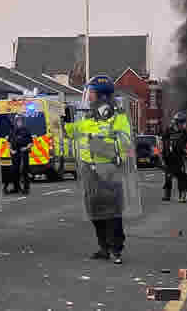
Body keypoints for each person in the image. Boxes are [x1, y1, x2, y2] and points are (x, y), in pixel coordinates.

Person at [66, 76, 132, 264]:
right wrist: (68, 120)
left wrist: (102, 145)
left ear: (102, 95)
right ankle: (103, 246)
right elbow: (76, 133)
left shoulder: (117, 116)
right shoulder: (89, 115)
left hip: (108, 168)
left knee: (112, 210)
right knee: (94, 209)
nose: (89, 97)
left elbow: (125, 141)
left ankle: (115, 248)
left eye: (92, 93)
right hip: (89, 168)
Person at [161, 112, 187, 202]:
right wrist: (163, 154)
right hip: (169, 157)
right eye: (182, 123)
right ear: (177, 122)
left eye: (184, 123)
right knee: (168, 176)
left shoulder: (184, 132)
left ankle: (182, 196)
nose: (184, 125)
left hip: (179, 157)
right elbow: (163, 142)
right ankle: (167, 195)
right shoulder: (168, 130)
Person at [9, 115, 33, 195]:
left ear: (22, 122)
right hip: (15, 153)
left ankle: (26, 188)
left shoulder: (26, 130)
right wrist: (11, 150)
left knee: (24, 170)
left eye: (20, 121)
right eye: (17, 121)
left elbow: (31, 143)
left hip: (23, 152)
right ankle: (16, 188)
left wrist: (26, 148)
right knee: (14, 171)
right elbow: (9, 142)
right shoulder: (13, 131)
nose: (19, 122)